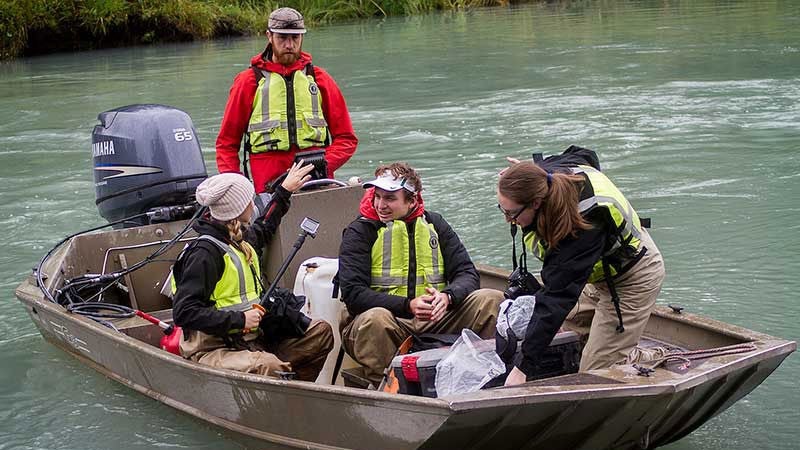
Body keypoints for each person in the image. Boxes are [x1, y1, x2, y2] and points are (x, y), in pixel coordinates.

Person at [497, 145, 666, 386]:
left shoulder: (579, 228)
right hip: (596, 275)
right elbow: (583, 154)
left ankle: (643, 358)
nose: (508, 219)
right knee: (574, 335)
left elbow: (556, 298)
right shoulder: (548, 178)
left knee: (595, 373)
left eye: (512, 213)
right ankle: (616, 349)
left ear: (536, 203)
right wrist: (530, 173)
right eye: (502, 209)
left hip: (633, 277)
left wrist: (522, 369)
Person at [338, 162, 504, 386]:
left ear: (412, 200)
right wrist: (408, 305)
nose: (380, 205)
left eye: (390, 198)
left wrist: (446, 297)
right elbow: (353, 294)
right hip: (387, 323)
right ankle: (388, 387)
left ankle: (485, 377)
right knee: (374, 319)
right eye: (377, 196)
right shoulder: (360, 231)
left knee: (491, 299)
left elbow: (467, 273)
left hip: (434, 320)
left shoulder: (435, 224)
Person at [172, 163, 333, 381]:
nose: (252, 204)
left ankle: (294, 391)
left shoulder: (238, 240)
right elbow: (184, 313)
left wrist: (283, 192)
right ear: (239, 209)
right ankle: (282, 397)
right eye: (250, 200)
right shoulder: (205, 254)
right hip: (213, 349)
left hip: (251, 341)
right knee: (269, 366)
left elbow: (264, 227)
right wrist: (239, 320)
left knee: (320, 332)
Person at [215, 7, 358, 193]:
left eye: (295, 38)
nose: (289, 45)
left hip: (315, 181)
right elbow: (227, 144)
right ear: (269, 36)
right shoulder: (248, 81)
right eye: (282, 37)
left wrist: (322, 165)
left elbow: (346, 139)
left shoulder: (320, 79)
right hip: (269, 185)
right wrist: (237, 189)